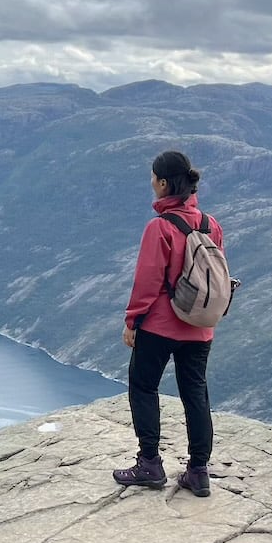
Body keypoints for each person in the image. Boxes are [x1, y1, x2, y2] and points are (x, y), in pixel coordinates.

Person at [112, 150, 222, 497]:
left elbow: (147, 281)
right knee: (195, 393)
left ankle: (150, 464)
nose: (151, 184)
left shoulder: (160, 227)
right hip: (200, 327)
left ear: (162, 182)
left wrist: (133, 321)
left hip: (160, 326)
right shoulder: (210, 224)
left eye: (152, 178)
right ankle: (198, 471)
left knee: (144, 387)